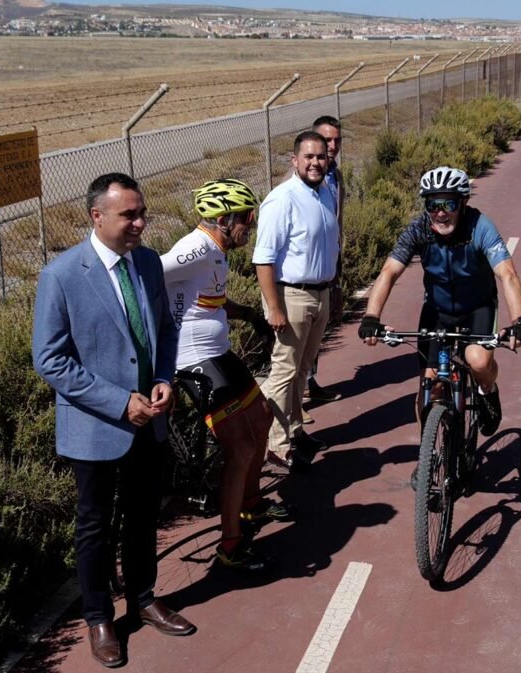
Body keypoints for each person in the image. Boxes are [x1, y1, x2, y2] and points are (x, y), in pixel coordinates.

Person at [32, 173, 195, 669]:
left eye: (141, 212)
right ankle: (99, 619)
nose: (141, 223)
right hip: (97, 427)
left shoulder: (146, 262)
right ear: (96, 216)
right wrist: (119, 402)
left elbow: (166, 328)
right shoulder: (61, 276)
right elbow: (50, 360)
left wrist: (164, 377)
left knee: (144, 516)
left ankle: (144, 599)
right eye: (129, 215)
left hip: (151, 419)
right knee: (95, 526)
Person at [161, 178, 287, 571]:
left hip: (218, 353)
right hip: (196, 361)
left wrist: (249, 314)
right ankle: (230, 547)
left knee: (263, 415)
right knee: (243, 448)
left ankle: (250, 506)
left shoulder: (214, 250)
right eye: (246, 219)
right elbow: (149, 274)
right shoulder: (196, 247)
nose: (249, 226)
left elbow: (210, 300)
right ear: (223, 218)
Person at [359, 166, 521, 442]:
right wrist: (371, 317)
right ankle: (429, 452)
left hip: (478, 307)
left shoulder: (480, 227)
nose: (440, 212)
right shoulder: (419, 229)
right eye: (432, 204)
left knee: (477, 361)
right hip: (438, 311)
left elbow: (506, 273)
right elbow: (389, 272)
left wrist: (520, 321)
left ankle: (488, 391)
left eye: (448, 203)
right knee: (429, 382)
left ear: (463, 202)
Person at [253, 131, 339, 472]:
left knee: (304, 369)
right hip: (291, 296)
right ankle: (276, 444)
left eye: (321, 156)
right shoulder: (282, 199)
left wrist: (334, 287)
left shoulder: (324, 193)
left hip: (320, 293)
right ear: (295, 161)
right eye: (309, 157)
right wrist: (274, 307)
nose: (316, 162)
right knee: (285, 371)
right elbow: (263, 259)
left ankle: (295, 429)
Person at [303, 115, 346, 409]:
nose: (331, 146)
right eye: (325, 140)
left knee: (318, 334)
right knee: (299, 340)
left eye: (336, 141)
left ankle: (310, 383)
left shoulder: (336, 176)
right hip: (303, 272)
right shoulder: (301, 180)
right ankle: (296, 401)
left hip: (328, 266)